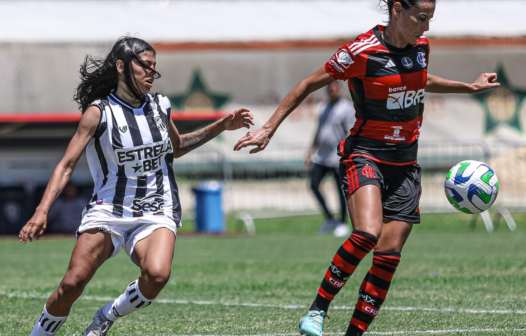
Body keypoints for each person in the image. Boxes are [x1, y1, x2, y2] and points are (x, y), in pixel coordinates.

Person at [234, 0, 499, 335]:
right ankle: (317, 310)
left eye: (430, 19)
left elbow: (418, 80)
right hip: (366, 155)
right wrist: (269, 128)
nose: (426, 27)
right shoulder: (361, 51)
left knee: (388, 256)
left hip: (405, 163)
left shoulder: (421, 47)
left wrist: (469, 87)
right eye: (421, 18)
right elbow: (307, 84)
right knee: (366, 233)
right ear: (398, 9)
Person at [19, 36, 253, 336]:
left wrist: (221, 125)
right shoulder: (98, 112)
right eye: (145, 65)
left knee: (157, 275)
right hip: (109, 211)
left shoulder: (160, 105)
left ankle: (106, 315)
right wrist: (41, 211)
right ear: (121, 67)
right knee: (71, 284)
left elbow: (177, 147)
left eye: (154, 67)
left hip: (157, 209)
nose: (151, 73)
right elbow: (66, 165)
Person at [305, 81, 355, 236]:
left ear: (340, 90)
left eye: (336, 89)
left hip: (337, 157)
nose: (334, 91)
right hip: (321, 156)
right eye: (331, 89)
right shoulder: (323, 107)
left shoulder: (346, 108)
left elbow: (350, 131)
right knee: (313, 185)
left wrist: (345, 151)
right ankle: (329, 218)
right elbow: (319, 130)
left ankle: (342, 223)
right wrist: (310, 151)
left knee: (341, 190)